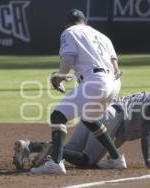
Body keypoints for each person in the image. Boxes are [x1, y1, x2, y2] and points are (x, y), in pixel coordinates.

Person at [29, 9, 124, 175]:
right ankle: (116, 159)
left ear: (67, 23)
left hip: (96, 81)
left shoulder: (69, 32)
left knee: (58, 116)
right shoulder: (102, 36)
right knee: (90, 119)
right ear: (84, 21)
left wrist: (59, 77)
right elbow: (116, 67)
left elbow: (68, 58)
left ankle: (56, 163)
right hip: (114, 83)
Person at [13, 84, 150, 170]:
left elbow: (122, 136)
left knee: (69, 151)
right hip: (110, 116)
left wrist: (111, 154)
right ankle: (48, 147)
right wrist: (148, 161)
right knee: (87, 161)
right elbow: (146, 135)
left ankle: (31, 146)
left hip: (97, 111)